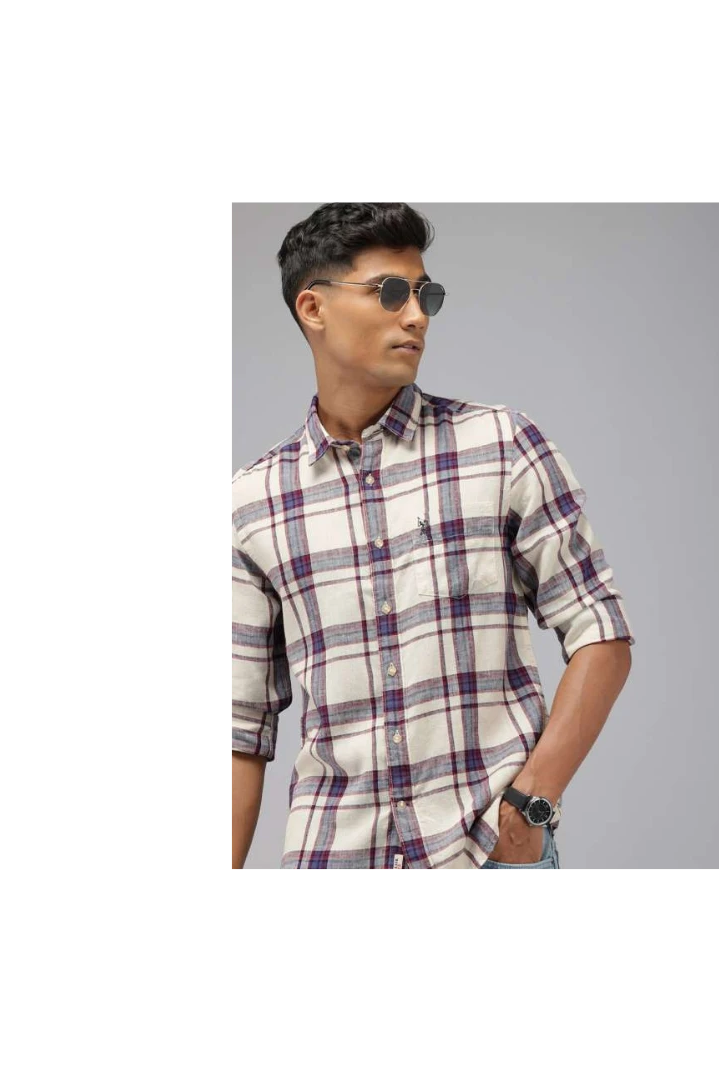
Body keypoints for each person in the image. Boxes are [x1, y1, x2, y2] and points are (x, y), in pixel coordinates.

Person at [230, 200, 635, 874]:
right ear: (313, 307)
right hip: (332, 864)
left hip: (484, 857)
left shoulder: (501, 446)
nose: (417, 315)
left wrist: (530, 806)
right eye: (390, 292)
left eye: (425, 294)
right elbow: (239, 727)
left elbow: (602, 632)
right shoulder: (253, 503)